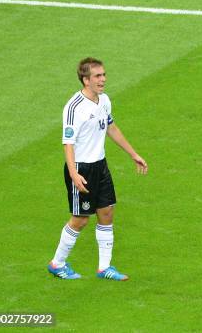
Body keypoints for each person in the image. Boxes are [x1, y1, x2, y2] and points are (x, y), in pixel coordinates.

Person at [48, 57, 148, 280]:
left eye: (103, 75)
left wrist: (133, 154)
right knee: (81, 219)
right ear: (86, 80)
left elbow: (110, 127)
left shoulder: (104, 100)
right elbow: (68, 142)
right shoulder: (74, 107)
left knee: (106, 212)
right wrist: (74, 174)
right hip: (81, 169)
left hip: (100, 166)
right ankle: (57, 263)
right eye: (97, 76)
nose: (103, 79)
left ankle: (104, 268)